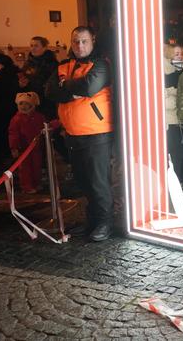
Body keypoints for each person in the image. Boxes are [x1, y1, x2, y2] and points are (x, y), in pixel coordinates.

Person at [46, 26, 114, 242]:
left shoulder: (101, 64)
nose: (80, 46)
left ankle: (105, 223)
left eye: (84, 41)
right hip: (73, 133)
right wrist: (71, 91)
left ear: (93, 40)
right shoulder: (63, 65)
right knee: (84, 181)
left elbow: (89, 87)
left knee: (98, 182)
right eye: (76, 41)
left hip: (97, 134)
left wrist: (66, 87)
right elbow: (49, 91)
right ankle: (92, 221)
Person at [164, 44, 183, 186]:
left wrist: (174, 95)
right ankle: (174, 183)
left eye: (180, 53)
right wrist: (178, 98)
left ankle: (179, 182)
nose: (179, 56)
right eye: (175, 54)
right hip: (170, 122)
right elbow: (162, 100)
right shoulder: (164, 73)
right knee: (174, 153)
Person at [8, 92, 45, 194]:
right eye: (21, 104)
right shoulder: (16, 119)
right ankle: (27, 186)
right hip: (23, 149)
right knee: (25, 169)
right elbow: (13, 134)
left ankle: (36, 183)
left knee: (36, 166)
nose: (24, 107)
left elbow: (44, 128)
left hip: (36, 148)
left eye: (27, 104)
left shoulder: (39, 117)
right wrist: (14, 147)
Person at [0, 54, 20, 164]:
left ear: (0, 64)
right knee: (13, 131)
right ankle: (12, 152)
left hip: (0, 109)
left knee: (0, 133)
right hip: (15, 107)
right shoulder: (17, 74)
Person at [20, 36, 58, 120]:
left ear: (44, 47)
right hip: (30, 101)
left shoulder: (52, 63)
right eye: (31, 45)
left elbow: (54, 83)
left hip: (46, 102)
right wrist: (22, 85)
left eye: (36, 46)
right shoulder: (27, 63)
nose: (33, 48)